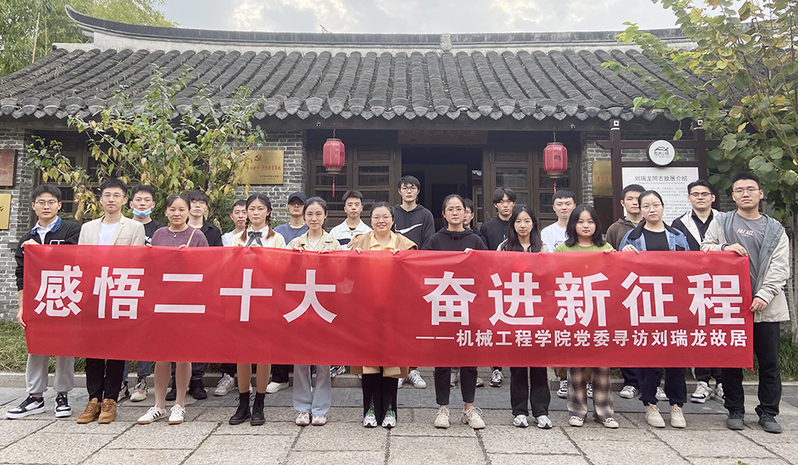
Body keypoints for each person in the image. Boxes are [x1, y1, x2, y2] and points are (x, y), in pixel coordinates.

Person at [702, 172, 789, 434]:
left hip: (766, 307)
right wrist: (724, 248)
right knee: (731, 361)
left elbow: (780, 266)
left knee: (769, 363)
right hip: (731, 305)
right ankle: (735, 410)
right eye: (739, 190)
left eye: (751, 189)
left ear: (760, 194)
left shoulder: (775, 229)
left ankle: (768, 412)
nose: (745, 194)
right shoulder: (722, 222)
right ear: (733, 196)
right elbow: (705, 248)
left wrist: (764, 294)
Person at [7, 185, 81, 420]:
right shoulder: (26, 238)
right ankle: (35, 397)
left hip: (65, 296)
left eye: (51, 202)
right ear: (33, 206)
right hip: (38, 299)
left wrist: (40, 251)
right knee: (36, 345)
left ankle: (62, 396)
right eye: (41, 202)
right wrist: (22, 307)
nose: (46, 206)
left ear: (59, 205)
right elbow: (21, 275)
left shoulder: (72, 230)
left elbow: (73, 257)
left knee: (64, 347)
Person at [76, 178, 146, 424]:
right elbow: (81, 260)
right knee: (92, 347)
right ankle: (93, 398)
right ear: (101, 199)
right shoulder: (88, 228)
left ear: (125, 200)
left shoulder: (134, 228)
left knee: (116, 347)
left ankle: (111, 400)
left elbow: (136, 261)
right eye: (107, 195)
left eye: (117, 195)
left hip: (119, 292)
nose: (111, 199)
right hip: (92, 292)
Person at [137, 194, 209, 426]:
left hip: (187, 301)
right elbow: (150, 267)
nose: (177, 213)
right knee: (161, 354)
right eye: (172, 209)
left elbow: (208, 267)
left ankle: (179, 404)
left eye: (181, 209)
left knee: (182, 354)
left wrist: (190, 258)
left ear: (189, 211)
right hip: (162, 299)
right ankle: (158, 405)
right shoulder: (159, 234)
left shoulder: (197, 236)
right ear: (166, 211)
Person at [620, 190, 689, 429]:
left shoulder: (677, 236)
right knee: (648, 357)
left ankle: (676, 405)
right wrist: (623, 255)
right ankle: (650, 403)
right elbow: (620, 271)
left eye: (656, 204)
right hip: (645, 303)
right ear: (639, 209)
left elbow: (689, 267)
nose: (652, 209)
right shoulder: (631, 237)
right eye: (646, 205)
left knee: (676, 356)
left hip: (673, 303)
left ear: (663, 207)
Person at [423, 194, 488, 430]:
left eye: (459, 209)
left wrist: (474, 259)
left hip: (469, 308)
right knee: (442, 361)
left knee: (469, 361)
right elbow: (421, 270)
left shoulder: (476, 241)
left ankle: (469, 408)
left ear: (466, 213)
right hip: (441, 308)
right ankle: (443, 408)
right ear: (444, 213)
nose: (455, 213)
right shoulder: (434, 241)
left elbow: (487, 272)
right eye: (450, 209)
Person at [350, 202, 417, 428]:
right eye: (376, 217)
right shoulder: (360, 243)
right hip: (366, 312)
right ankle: (369, 408)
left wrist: (404, 261)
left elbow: (414, 277)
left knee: (391, 362)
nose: (381, 221)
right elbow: (346, 274)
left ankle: (390, 409)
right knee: (369, 362)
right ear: (370, 220)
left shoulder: (405, 245)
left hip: (394, 313)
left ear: (393, 220)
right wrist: (353, 258)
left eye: (385, 217)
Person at [554, 204, 619, 429]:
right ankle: (577, 410)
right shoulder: (562, 249)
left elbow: (616, 279)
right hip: (574, 312)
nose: (585, 226)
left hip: (600, 313)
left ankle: (604, 411)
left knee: (602, 365)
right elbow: (553, 279)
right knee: (576, 365)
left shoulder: (606, 248)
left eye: (590, 221)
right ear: (573, 224)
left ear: (596, 224)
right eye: (580, 221)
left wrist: (615, 259)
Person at [228, 193, 286, 426]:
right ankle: (243, 402)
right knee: (242, 352)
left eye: (260, 208)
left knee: (263, 353)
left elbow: (282, 267)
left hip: (266, 298)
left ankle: (259, 403)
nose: (255, 213)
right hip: (242, 297)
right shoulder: (236, 239)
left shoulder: (277, 238)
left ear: (268, 212)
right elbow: (229, 266)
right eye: (251, 208)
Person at [288, 197, 342, 426]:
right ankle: (302, 408)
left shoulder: (333, 243)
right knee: (300, 359)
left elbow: (342, 275)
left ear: (325, 215)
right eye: (309, 214)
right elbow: (284, 274)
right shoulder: (295, 243)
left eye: (318, 214)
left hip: (323, 306)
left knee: (323, 360)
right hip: (300, 305)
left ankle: (320, 408)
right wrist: (295, 259)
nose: (314, 218)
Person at [497, 205, 552, 429]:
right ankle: (519, 411)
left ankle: (541, 411)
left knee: (539, 364)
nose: (522, 225)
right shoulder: (504, 247)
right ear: (513, 224)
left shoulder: (543, 247)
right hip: (514, 312)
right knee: (518, 365)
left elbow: (551, 277)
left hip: (538, 312)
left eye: (527, 221)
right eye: (518, 221)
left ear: (533, 224)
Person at [166, 188, 221, 402]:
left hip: (196, 290)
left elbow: (213, 260)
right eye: (193, 202)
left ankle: (197, 379)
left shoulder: (210, 232)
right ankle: (176, 382)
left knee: (195, 336)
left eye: (201, 202)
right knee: (172, 338)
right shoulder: (163, 233)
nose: (197, 206)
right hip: (170, 292)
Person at [671, 180, 723, 403]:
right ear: (689, 198)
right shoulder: (679, 223)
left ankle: (721, 381)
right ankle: (702, 380)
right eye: (695, 194)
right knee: (698, 331)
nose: (700, 197)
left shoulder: (725, 220)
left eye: (704, 194)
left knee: (719, 330)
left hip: (721, 284)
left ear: (713, 197)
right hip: (692, 285)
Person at [605, 183, 646, 401]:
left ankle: (651, 383)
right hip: (624, 290)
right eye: (630, 199)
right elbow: (609, 258)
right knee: (626, 336)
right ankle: (630, 381)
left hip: (650, 290)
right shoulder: (615, 228)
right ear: (623, 202)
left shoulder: (654, 225)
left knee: (648, 337)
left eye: (639, 198)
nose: (635, 203)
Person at [125, 184, 165, 403]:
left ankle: (142, 380)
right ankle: (121, 381)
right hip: (124, 285)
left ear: (153, 204)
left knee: (145, 334)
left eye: (146, 200)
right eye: (138, 200)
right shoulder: (123, 226)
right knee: (122, 334)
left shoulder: (159, 230)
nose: (142, 204)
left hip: (150, 288)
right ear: (130, 203)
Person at [393, 175, 433, 390]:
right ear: (399, 191)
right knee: (397, 322)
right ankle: (400, 368)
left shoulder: (425, 215)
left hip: (417, 274)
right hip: (394, 274)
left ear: (418, 191)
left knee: (416, 322)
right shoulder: (392, 213)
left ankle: (413, 368)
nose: (409, 191)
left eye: (413, 188)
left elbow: (428, 244)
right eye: (405, 187)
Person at [269, 191, 309, 394]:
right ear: (287, 207)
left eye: (299, 203)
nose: (296, 206)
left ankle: (305, 378)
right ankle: (280, 377)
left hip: (306, 287)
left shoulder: (311, 229)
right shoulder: (277, 232)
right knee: (280, 333)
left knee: (305, 333)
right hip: (281, 287)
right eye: (292, 203)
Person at [540, 190, 577, 399]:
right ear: (554, 208)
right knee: (561, 334)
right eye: (560, 204)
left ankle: (587, 379)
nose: (564, 207)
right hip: (558, 289)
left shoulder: (582, 228)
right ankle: (563, 378)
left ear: (574, 205)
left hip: (582, 288)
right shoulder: (547, 233)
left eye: (568, 203)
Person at [479, 187, 517, 388]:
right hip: (496, 281)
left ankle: (518, 365)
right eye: (501, 202)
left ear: (513, 203)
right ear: (495, 205)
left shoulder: (520, 224)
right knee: (496, 325)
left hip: (519, 281)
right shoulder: (487, 228)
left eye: (509, 201)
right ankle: (496, 368)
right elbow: (484, 255)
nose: (505, 205)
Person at [214, 199, 248, 397]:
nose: (241, 215)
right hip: (230, 289)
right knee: (228, 332)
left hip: (253, 289)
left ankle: (247, 378)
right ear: (231, 216)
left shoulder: (259, 236)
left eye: (244, 211)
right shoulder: (225, 238)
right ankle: (228, 375)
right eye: (237, 212)